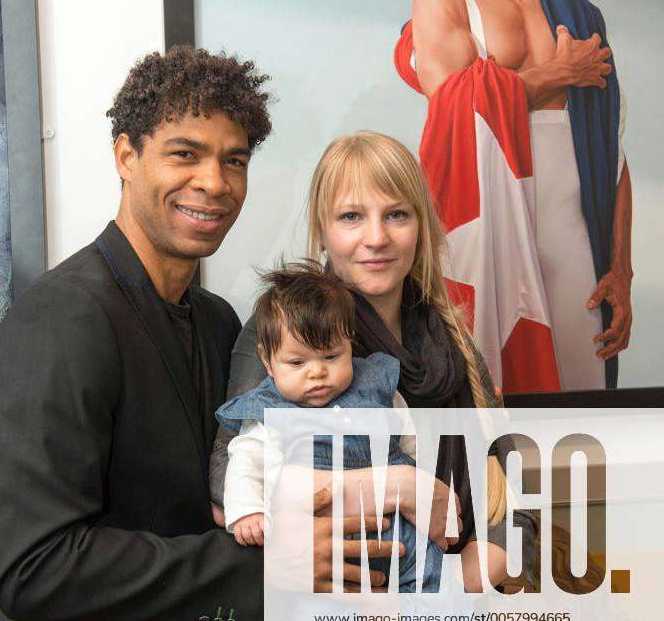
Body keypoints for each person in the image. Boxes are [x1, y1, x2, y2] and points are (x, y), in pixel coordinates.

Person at [0, 45, 276, 620]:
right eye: (185, 154)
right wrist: (270, 570)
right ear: (126, 155)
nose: (215, 182)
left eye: (235, 161)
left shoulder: (220, 320)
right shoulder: (60, 316)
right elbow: (36, 566)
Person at [211, 130, 538, 592]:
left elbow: (510, 479)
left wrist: (489, 560)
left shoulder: (452, 339)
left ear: (420, 225)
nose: (377, 237)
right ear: (322, 231)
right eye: (351, 217)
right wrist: (395, 484)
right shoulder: (285, 334)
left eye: (397, 215)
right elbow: (232, 478)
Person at [395, 0, 632, 392]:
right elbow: (454, 107)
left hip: (575, 236)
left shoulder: (580, 14)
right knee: (488, 392)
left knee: (580, 402)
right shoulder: (444, 0)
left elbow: (613, 151)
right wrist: (558, 73)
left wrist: (621, 268)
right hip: (489, 228)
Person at [214, 262, 444, 592]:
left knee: (434, 580)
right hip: (322, 539)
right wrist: (248, 512)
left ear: (350, 344)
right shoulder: (268, 409)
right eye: (297, 362)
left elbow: (405, 435)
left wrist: (421, 475)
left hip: (396, 527)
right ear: (267, 361)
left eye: (332, 356)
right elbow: (246, 461)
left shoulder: (375, 384)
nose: (317, 372)